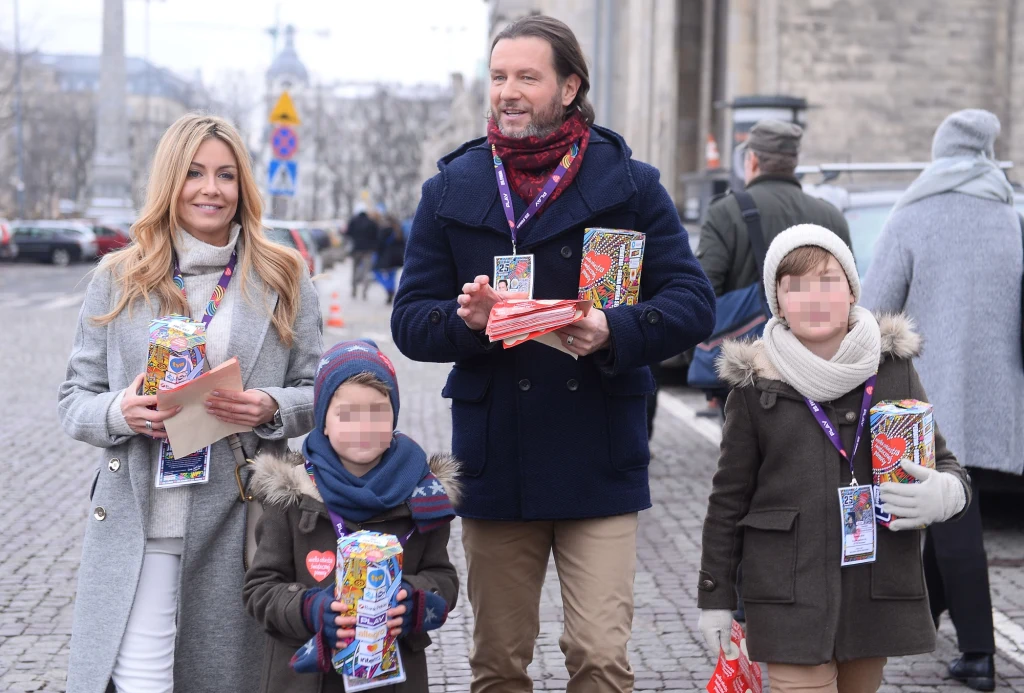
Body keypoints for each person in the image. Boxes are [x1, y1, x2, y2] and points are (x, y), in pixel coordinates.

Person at [391, 15, 715, 693]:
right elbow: (410, 321)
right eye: (499, 76)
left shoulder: (630, 182)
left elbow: (692, 300)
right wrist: (468, 322)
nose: (507, 91)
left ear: (570, 87)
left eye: (526, 77)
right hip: (496, 459)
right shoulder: (452, 188)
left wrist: (617, 330)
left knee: (600, 656)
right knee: (499, 662)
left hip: (598, 450)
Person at [57, 113, 323, 693]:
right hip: (140, 514)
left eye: (226, 175)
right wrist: (117, 411)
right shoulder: (119, 276)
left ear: (243, 186)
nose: (211, 188)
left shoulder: (284, 275)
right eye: (195, 173)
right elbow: (74, 399)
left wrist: (269, 407)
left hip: (238, 518)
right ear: (170, 183)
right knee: (140, 681)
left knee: (226, 680)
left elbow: (317, 390)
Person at [697, 224, 972, 693]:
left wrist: (946, 494)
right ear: (777, 301)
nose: (814, 298)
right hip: (787, 593)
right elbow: (728, 501)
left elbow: (946, 465)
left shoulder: (892, 369)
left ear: (851, 290)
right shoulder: (754, 383)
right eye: (796, 286)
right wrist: (715, 597)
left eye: (828, 280)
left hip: (872, 590)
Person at [861, 108, 1023, 692]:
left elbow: (877, 304)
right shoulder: (1007, 214)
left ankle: (979, 651)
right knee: (954, 500)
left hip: (924, 387)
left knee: (952, 512)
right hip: (998, 388)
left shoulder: (916, 210)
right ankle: (926, 617)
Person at [243, 339, 459, 693]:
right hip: (306, 681)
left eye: (378, 412)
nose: (364, 426)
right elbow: (260, 591)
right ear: (323, 421)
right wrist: (309, 609)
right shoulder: (292, 495)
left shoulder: (423, 495)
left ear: (395, 417)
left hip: (392, 679)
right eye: (347, 414)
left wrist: (415, 601)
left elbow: (443, 578)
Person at [695, 120, 852, 417]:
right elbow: (847, 296)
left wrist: (705, 358)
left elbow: (701, 293)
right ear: (793, 163)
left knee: (745, 454)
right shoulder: (830, 216)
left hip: (747, 368)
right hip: (816, 365)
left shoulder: (726, 212)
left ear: (752, 160)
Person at [347, 203, 379, 300]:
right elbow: (376, 236)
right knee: (366, 271)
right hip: (368, 250)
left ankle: (354, 289)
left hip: (356, 249)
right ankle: (365, 291)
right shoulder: (371, 222)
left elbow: (348, 233)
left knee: (355, 270)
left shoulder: (353, 221)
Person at [373, 215, 406, 304]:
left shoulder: (384, 230)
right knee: (392, 275)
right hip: (397, 257)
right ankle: (390, 291)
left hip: (386, 256)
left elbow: (379, 244)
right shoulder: (398, 230)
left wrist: (378, 255)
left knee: (376, 272)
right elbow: (404, 243)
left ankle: (389, 289)